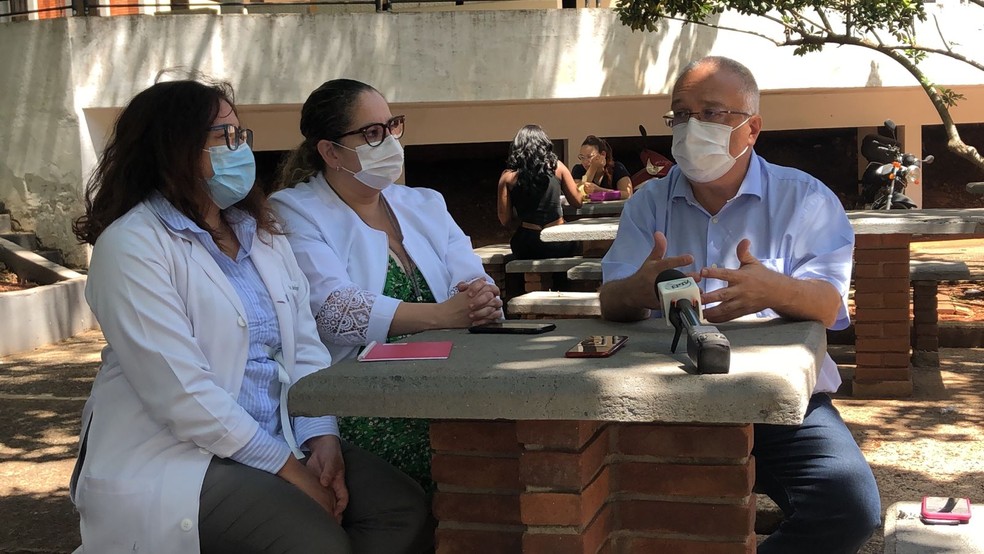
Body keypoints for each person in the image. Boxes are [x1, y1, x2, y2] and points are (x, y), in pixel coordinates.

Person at [69, 78, 430, 554]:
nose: (239, 150)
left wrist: (322, 438)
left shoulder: (259, 230)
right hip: (185, 456)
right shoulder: (132, 245)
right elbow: (182, 394)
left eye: (241, 136)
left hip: (281, 433)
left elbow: (303, 345)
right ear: (171, 148)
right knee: (315, 544)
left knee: (402, 510)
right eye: (222, 138)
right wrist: (293, 473)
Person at [598, 56, 881, 553]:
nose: (691, 128)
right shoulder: (648, 203)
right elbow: (612, 298)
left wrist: (772, 290)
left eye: (710, 113)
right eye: (680, 115)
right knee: (646, 510)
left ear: (751, 129)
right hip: (664, 398)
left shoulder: (806, 199)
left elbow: (828, 304)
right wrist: (636, 290)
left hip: (781, 405)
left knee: (849, 505)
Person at [269, 78, 502, 493]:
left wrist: (480, 298)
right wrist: (443, 314)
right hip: (365, 400)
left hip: (455, 380)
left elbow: (471, 275)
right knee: (474, 470)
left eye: (392, 126)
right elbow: (334, 310)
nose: (390, 140)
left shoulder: (425, 203)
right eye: (372, 133)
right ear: (330, 151)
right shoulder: (294, 211)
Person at [497, 124, 583, 260]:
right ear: (544, 145)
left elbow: (504, 220)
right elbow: (578, 202)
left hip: (528, 243)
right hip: (560, 240)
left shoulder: (508, 177)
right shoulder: (558, 168)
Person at [571, 135, 633, 199]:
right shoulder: (578, 169)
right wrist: (593, 168)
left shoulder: (617, 168)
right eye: (582, 157)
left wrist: (600, 190)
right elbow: (579, 192)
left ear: (603, 154)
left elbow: (627, 194)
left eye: (589, 157)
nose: (585, 162)